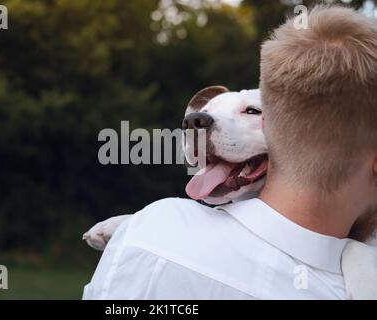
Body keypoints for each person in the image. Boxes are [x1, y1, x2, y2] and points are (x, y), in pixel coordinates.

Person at [83, 6, 377, 299]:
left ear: (275, 122)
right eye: (202, 117)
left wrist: (138, 228)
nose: (203, 122)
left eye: (249, 111)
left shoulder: (153, 233)